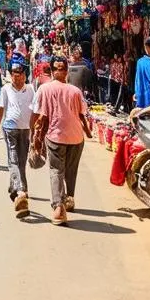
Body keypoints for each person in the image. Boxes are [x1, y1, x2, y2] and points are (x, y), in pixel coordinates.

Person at [31, 56, 92, 226]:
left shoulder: (44, 89)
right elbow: (82, 113)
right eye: (59, 68)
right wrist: (87, 132)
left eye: (61, 68)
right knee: (71, 169)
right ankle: (69, 199)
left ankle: (58, 207)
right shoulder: (75, 91)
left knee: (56, 170)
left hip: (56, 136)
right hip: (75, 137)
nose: (60, 71)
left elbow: (38, 115)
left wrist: (35, 137)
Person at [0, 59, 35, 217]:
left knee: (22, 160)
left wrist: (36, 131)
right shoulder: (6, 89)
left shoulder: (31, 89)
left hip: (25, 129)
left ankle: (17, 187)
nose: (16, 78)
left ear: (24, 75)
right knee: (13, 159)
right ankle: (21, 191)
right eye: (14, 74)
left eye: (19, 74)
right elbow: (1, 108)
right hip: (10, 128)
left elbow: (36, 110)